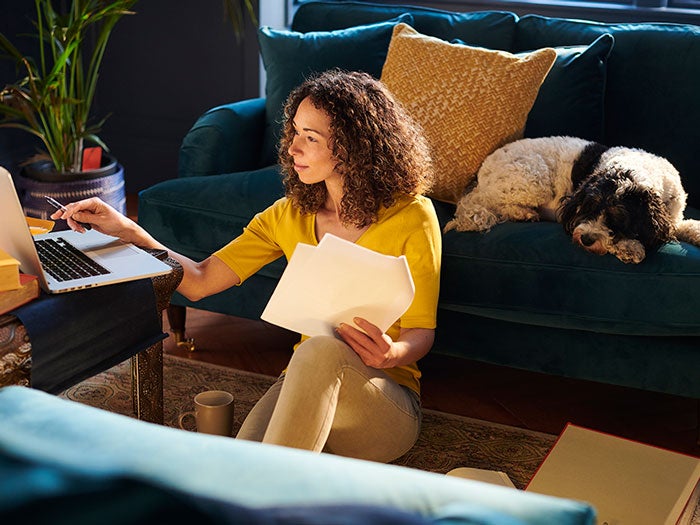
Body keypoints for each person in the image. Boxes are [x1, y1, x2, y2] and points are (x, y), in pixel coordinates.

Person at [52, 69, 442, 463]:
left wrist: (392, 353)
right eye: (294, 133)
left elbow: (420, 331)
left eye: (311, 138)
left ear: (352, 147)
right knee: (239, 465)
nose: (292, 148)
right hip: (305, 386)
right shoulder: (288, 215)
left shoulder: (412, 216)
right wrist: (129, 230)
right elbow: (200, 282)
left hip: (383, 405)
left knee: (320, 351)